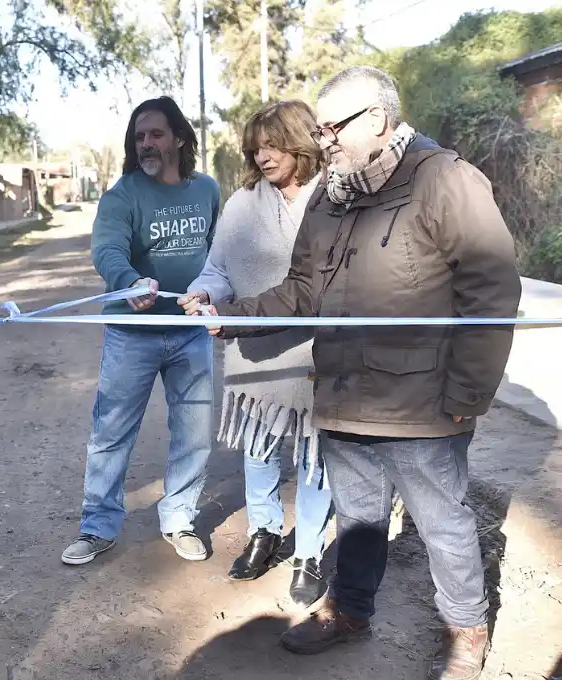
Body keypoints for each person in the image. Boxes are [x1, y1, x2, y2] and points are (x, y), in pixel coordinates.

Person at [203, 66, 521, 680]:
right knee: (359, 518)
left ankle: (465, 629)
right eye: (320, 130)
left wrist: (468, 393)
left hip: (424, 404)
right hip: (345, 393)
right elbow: (302, 291)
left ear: (376, 119)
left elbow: (491, 291)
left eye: (333, 128)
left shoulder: (446, 181)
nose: (324, 142)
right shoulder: (332, 195)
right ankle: (350, 611)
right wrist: (231, 316)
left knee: (442, 521)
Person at [181, 100, 333, 608]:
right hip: (255, 349)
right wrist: (203, 293)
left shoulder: (332, 197)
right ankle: (264, 533)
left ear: (300, 141)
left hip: (319, 351)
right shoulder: (242, 203)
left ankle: (308, 552)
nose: (263, 157)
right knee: (258, 446)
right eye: (256, 148)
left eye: (273, 144)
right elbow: (218, 268)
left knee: (316, 454)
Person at [61, 96, 222, 566]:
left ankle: (179, 519)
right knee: (111, 433)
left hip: (190, 333)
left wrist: (212, 294)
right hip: (132, 333)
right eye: (139, 137)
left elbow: (216, 254)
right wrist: (128, 281)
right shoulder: (122, 195)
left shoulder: (207, 190)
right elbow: (107, 250)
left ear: (178, 138)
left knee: (193, 432)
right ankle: (97, 526)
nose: (146, 144)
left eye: (155, 134)